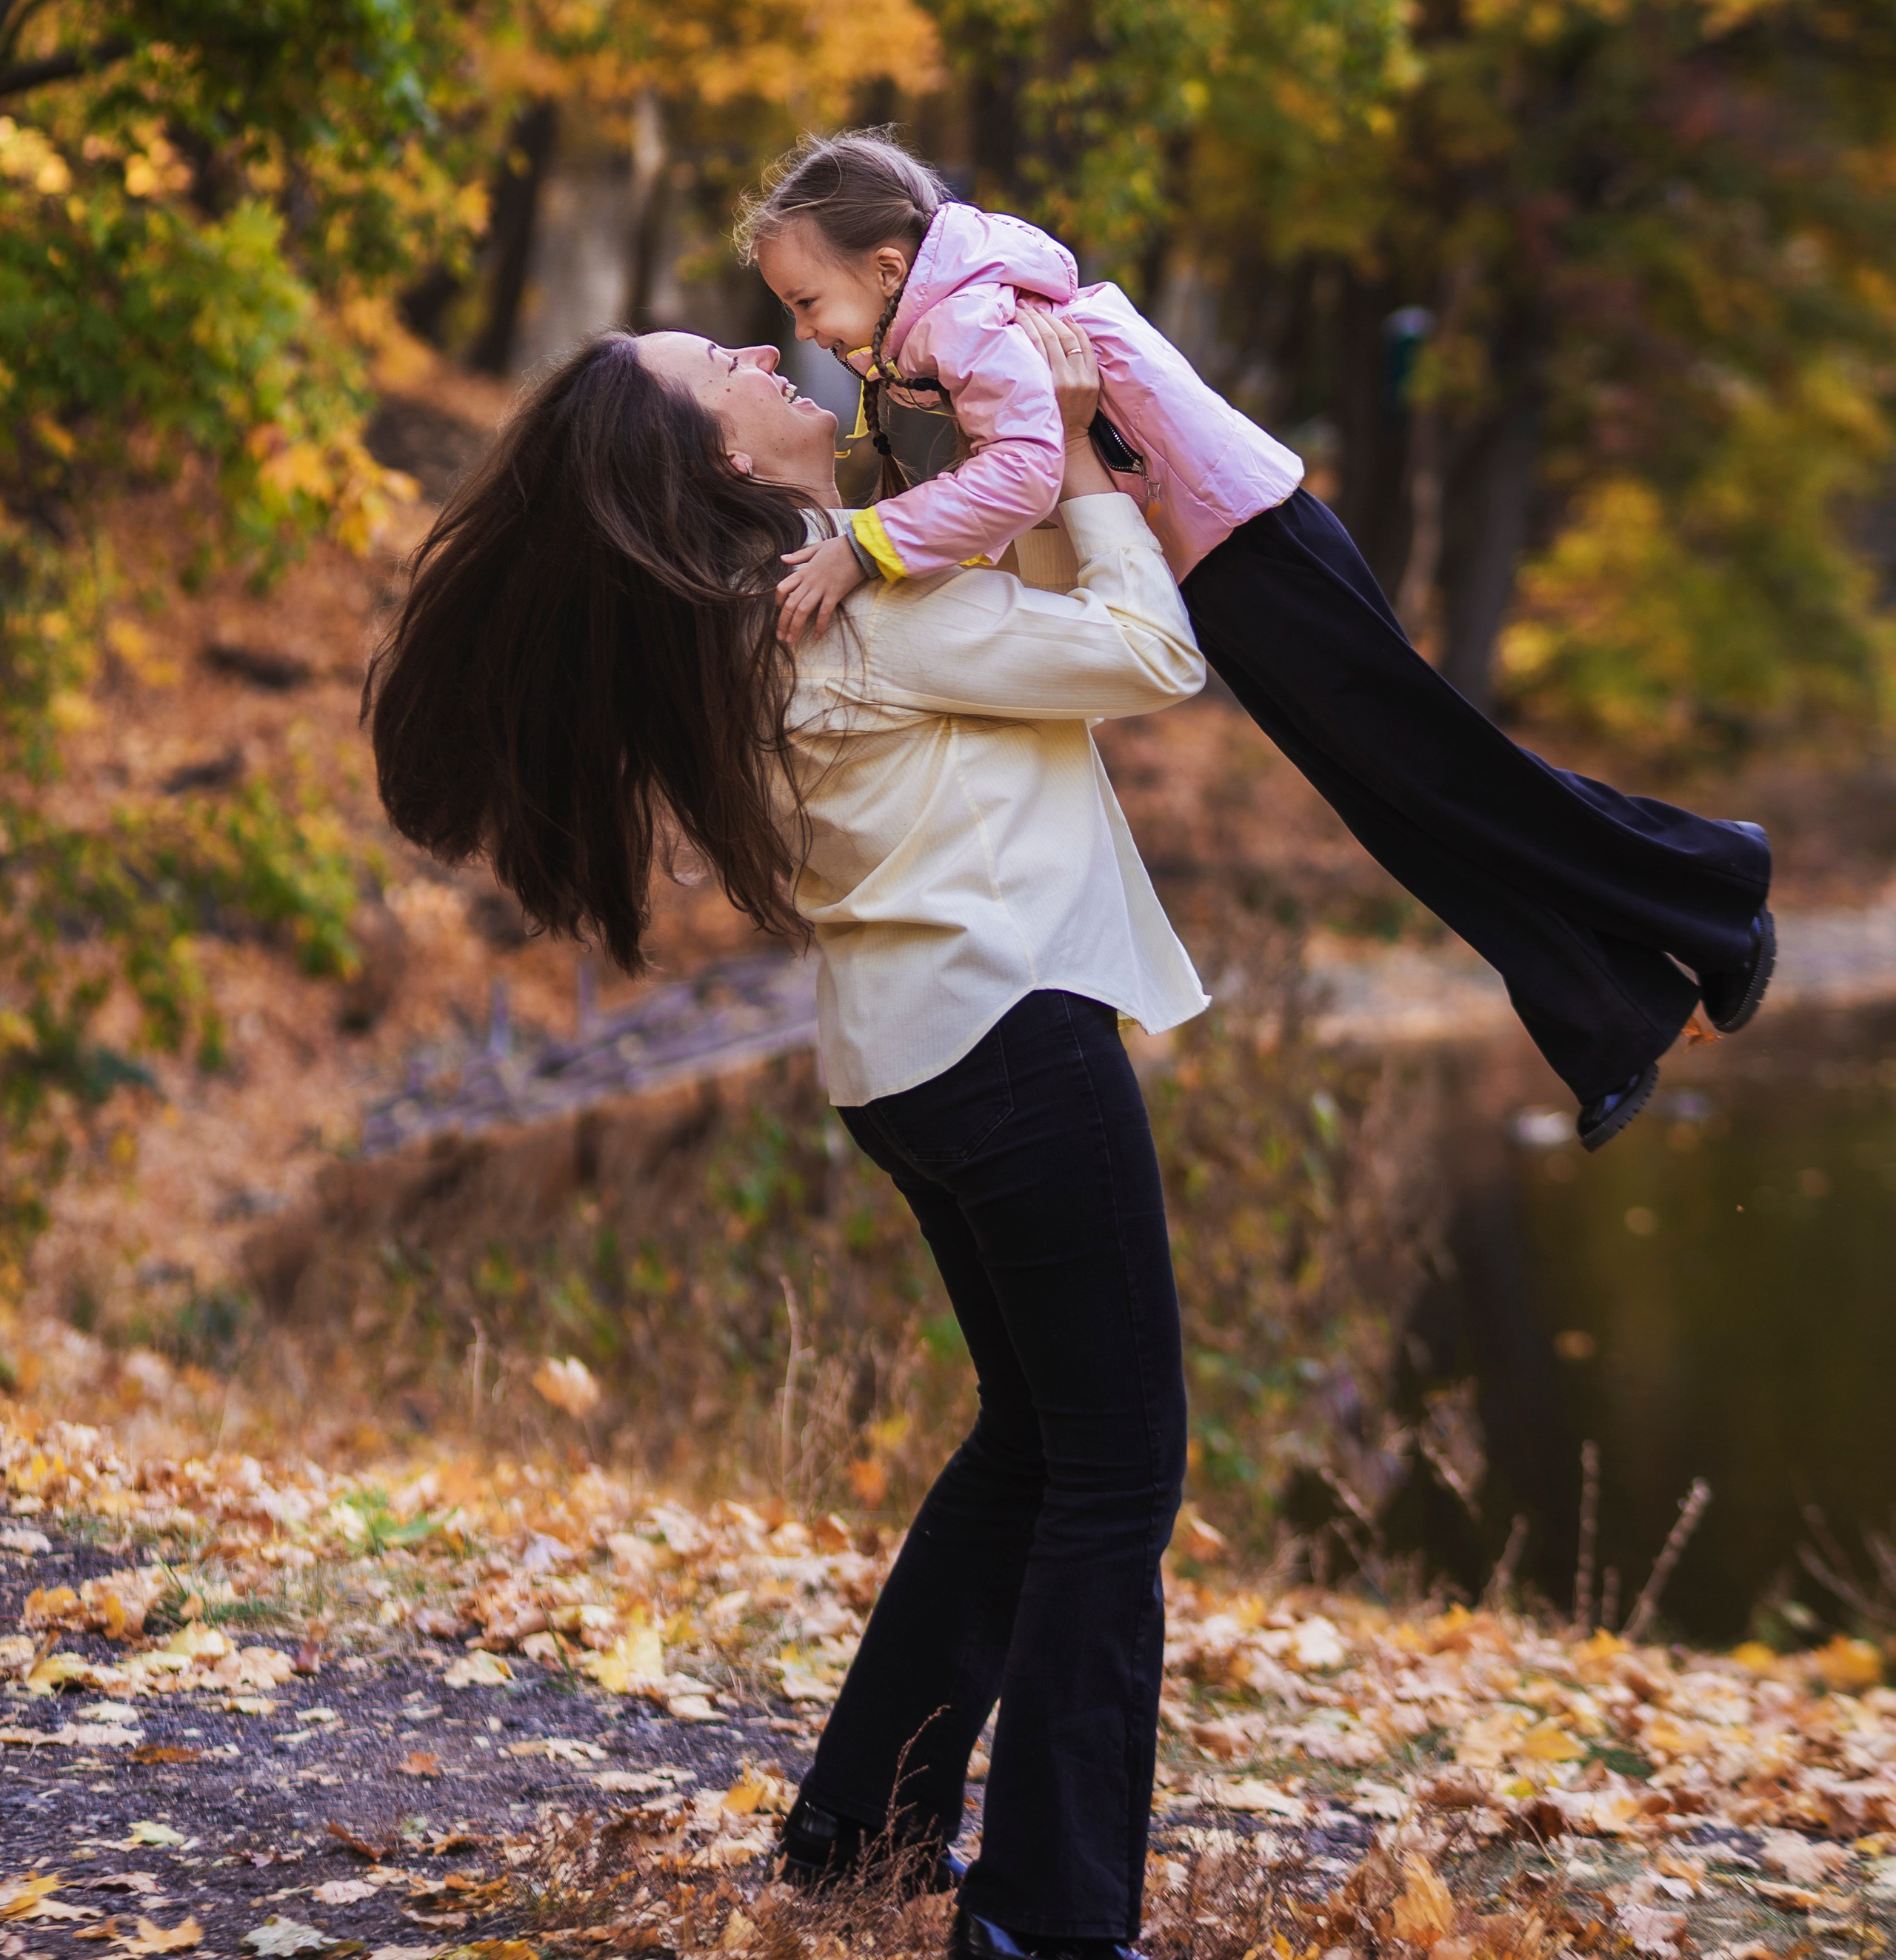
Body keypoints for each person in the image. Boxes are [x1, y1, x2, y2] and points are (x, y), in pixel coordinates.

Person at [363, 310, 1211, 1960]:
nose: (764, 350)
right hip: (1007, 1035)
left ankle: (855, 1842)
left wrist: (1022, 456)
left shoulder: (799, 604)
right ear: (727, 464)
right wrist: (1089, 462)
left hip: (917, 1059)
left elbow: (1037, 624)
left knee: (1034, 1448)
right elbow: (1147, 654)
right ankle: (1045, 1922)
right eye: (723, 370)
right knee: (1115, 1472)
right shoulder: (857, 607)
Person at [740, 130, 1777, 1154]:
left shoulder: (967, 320)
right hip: (1228, 558)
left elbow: (1020, 473)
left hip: (1255, 545)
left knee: (1442, 775)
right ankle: (1617, 1018)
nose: (808, 329)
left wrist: (869, 545)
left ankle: (1715, 885)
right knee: (1401, 803)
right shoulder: (953, 321)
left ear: (885, 268)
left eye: (806, 303)